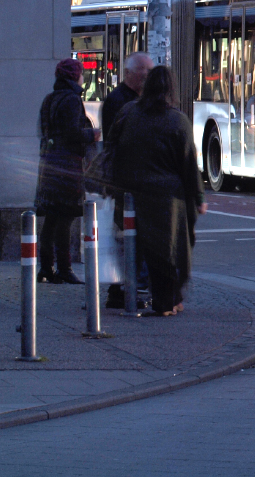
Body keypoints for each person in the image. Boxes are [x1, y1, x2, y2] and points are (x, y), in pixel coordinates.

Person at [111, 66, 207, 316]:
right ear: (170, 89)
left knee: (137, 248)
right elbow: (188, 163)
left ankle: (128, 295)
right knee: (171, 251)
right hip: (167, 197)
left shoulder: (128, 113)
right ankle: (167, 301)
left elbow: (113, 147)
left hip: (130, 193)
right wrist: (198, 197)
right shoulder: (177, 120)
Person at [34, 58, 100, 284]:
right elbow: (73, 133)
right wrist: (93, 134)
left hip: (49, 164)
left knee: (52, 218)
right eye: (81, 74)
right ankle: (64, 268)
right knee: (65, 219)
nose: (83, 77)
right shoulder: (72, 100)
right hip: (67, 166)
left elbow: (44, 131)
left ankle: (45, 268)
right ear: (75, 76)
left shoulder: (49, 99)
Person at [102, 51, 154, 309]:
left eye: (150, 71)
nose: (147, 76)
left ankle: (123, 290)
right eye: (143, 71)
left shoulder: (133, 99)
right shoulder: (120, 101)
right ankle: (122, 292)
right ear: (129, 73)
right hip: (125, 182)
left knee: (128, 238)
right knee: (126, 238)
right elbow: (120, 143)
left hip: (129, 180)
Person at [101, 52, 153, 141]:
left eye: (149, 70)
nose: (145, 74)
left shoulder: (149, 98)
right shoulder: (115, 100)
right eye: (140, 69)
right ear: (127, 72)